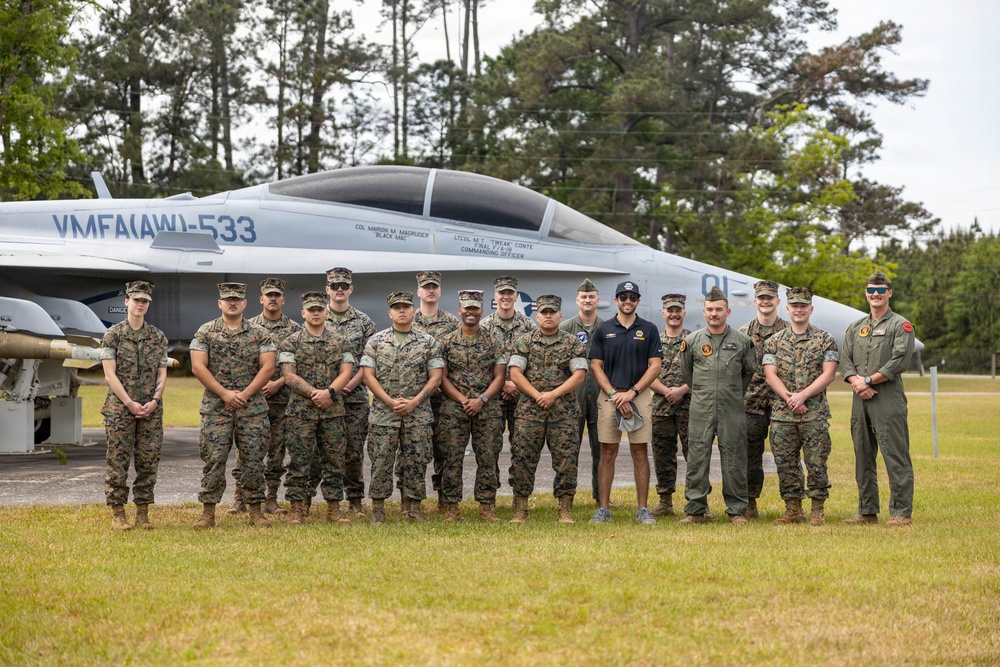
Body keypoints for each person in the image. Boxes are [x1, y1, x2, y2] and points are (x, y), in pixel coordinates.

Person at [189, 282, 276, 529]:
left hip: (252, 409)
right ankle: (208, 513)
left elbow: (268, 367)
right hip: (217, 408)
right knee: (214, 459)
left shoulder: (260, 333)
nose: (233, 302)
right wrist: (225, 394)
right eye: (228, 299)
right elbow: (197, 366)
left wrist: (245, 394)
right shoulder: (205, 332)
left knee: (253, 460)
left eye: (237, 299)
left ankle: (256, 511)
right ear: (220, 303)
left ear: (245, 303)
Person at [840, 270, 916, 527]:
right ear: (866, 293)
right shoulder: (856, 327)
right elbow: (845, 359)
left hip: (888, 398)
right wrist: (857, 383)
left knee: (894, 454)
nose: (875, 294)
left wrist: (869, 380)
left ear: (889, 293)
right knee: (862, 454)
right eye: (871, 290)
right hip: (859, 398)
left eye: (881, 290)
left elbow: (900, 360)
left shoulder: (901, 325)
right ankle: (867, 511)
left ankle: (901, 512)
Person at [361, 291, 444, 523]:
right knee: (380, 462)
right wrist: (389, 401)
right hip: (383, 415)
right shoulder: (376, 342)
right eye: (396, 307)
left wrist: (415, 402)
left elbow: (435, 377)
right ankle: (378, 510)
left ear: (413, 311)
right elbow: (369, 376)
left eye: (406, 307)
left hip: (417, 414)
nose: (401, 311)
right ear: (390, 312)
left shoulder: (428, 343)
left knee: (417, 461)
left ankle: (413, 508)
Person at [679, 285, 757, 525]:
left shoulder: (743, 341)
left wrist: (730, 393)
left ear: (728, 312)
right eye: (710, 309)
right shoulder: (691, 341)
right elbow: (687, 373)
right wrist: (705, 392)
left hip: (731, 408)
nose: (714, 313)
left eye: (719, 309)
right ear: (704, 312)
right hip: (701, 407)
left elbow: (748, 372)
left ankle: (736, 511)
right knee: (697, 457)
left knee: (734, 456)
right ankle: (696, 510)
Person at [588, 280, 663, 524]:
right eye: (623, 297)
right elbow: (595, 366)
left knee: (640, 452)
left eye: (632, 297)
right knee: (607, 452)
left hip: (638, 396)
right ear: (617, 300)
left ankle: (642, 509)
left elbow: (655, 366)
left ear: (638, 301)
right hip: (609, 397)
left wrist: (631, 392)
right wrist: (613, 394)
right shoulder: (603, 329)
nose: (627, 301)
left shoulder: (649, 329)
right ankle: (603, 509)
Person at [762, 287, 839, 525]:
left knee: (816, 462)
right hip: (783, 416)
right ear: (787, 309)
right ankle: (793, 509)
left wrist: (802, 396)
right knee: (786, 463)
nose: (798, 309)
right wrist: (790, 399)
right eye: (794, 306)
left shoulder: (825, 339)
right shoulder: (774, 341)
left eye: (803, 306)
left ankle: (817, 510)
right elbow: (770, 374)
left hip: (814, 414)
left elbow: (829, 374)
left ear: (811, 309)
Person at [507, 295, 588, 523]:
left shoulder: (572, 343)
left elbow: (579, 375)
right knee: (523, 459)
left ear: (560, 315)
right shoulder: (525, 341)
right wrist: (537, 395)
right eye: (544, 312)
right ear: (537, 315)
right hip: (529, 413)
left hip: (563, 413)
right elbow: (515, 374)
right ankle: (521, 508)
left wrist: (553, 395)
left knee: (566, 461)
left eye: (553, 312)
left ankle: (564, 508)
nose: (548, 316)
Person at [278, 291, 355, 525]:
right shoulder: (291, 341)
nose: (316, 313)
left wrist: (329, 392)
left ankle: (334, 509)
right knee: (299, 461)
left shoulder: (341, 341)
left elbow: (346, 371)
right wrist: (315, 394)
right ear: (303, 313)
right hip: (301, 412)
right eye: (311, 310)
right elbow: (288, 375)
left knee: (334, 461)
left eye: (320, 310)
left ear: (326, 312)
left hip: (332, 411)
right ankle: (296, 509)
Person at [100, 280, 169, 530]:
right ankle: (118, 513)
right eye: (136, 299)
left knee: (148, 461)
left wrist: (154, 400)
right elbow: (110, 375)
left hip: (151, 410)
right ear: (126, 301)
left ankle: (142, 512)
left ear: (148, 304)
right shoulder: (113, 335)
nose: (140, 304)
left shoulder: (157, 337)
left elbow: (162, 373)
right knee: (118, 461)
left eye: (145, 301)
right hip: (120, 410)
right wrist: (129, 402)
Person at [231, 277, 302, 516]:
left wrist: (278, 382)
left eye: (277, 295)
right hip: (253, 399)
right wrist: (259, 385)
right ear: (261, 299)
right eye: (268, 295)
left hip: (282, 400)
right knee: (247, 449)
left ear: (283, 299)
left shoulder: (295, 330)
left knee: (276, 451)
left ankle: (271, 499)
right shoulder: (247, 326)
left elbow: (298, 364)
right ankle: (240, 499)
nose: (273, 299)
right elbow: (241, 364)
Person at [436, 290, 508, 522]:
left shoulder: (493, 340)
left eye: (475, 308)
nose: (470, 312)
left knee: (488, 458)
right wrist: (462, 400)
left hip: (487, 409)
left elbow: (499, 376)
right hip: (454, 409)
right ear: (459, 311)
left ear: (482, 311)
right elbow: (442, 377)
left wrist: (482, 400)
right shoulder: (446, 342)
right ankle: (451, 507)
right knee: (451, 458)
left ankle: (486, 506)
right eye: (466, 308)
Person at [323, 267, 377, 517]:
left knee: (354, 451)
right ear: (328, 290)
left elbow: (369, 359)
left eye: (344, 285)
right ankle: (321, 501)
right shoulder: (317, 316)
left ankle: (355, 500)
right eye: (335, 286)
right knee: (323, 450)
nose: (340, 289)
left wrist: (351, 383)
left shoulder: (364, 322)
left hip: (354, 397)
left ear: (351, 289)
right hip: (324, 397)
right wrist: (330, 388)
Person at [480, 275, 536, 487]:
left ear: (515, 296)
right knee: (489, 446)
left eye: (509, 293)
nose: (506, 297)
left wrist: (515, 383)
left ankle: (518, 494)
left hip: (521, 396)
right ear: (495, 297)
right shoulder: (484, 327)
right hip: (493, 396)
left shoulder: (528, 326)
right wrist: (504, 383)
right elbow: (481, 362)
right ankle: (490, 493)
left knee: (521, 446)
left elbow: (534, 360)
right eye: (502, 293)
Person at [739, 280, 788, 518]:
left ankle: (792, 505)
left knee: (786, 456)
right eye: (761, 298)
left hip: (782, 405)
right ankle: (750, 502)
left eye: (770, 298)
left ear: (778, 301)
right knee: (750, 457)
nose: (765, 301)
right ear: (755, 301)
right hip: (751, 405)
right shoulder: (742, 334)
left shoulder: (790, 331)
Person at [412, 270, 460, 508]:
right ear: (418, 292)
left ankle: (443, 497)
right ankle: (410, 498)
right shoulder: (409, 319)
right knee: (414, 449)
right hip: (415, 398)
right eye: (426, 287)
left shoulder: (452, 323)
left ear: (440, 291)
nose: (430, 291)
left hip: (442, 399)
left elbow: (456, 358)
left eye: (434, 287)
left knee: (445, 448)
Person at [559, 278, 604, 506]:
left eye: (591, 297)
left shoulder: (607, 328)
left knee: (601, 448)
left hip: (600, 398)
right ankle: (568, 496)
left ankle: (600, 497)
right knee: (569, 449)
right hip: (572, 400)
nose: (587, 300)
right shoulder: (565, 329)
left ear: (598, 300)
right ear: (577, 301)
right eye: (583, 297)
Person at [648, 294, 691, 517]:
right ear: (663, 313)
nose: (674, 314)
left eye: (678, 310)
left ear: (684, 313)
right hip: (661, 406)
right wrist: (666, 392)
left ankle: (697, 501)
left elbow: (702, 372)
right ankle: (665, 502)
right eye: (670, 310)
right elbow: (645, 372)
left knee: (694, 454)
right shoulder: (653, 340)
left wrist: (682, 390)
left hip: (689, 407)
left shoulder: (694, 339)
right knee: (662, 454)